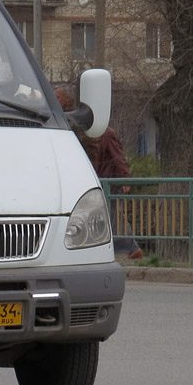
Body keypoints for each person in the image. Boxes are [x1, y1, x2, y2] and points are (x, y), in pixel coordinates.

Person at [55, 86, 144, 260]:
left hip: (106, 181)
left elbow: (118, 157)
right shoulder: (68, 125)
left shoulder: (106, 134)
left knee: (109, 215)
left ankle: (130, 247)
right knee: (106, 215)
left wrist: (124, 179)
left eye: (57, 97)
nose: (55, 100)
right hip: (95, 180)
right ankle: (127, 247)